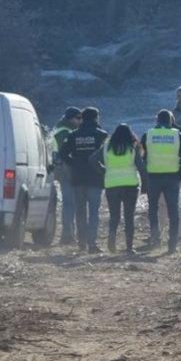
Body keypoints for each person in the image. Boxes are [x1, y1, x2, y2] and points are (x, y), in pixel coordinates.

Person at [59, 106, 108, 254]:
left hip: (77, 177)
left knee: (80, 211)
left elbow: (62, 153)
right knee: (93, 212)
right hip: (95, 177)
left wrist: (73, 163)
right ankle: (92, 244)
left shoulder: (73, 135)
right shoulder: (101, 135)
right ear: (95, 118)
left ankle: (81, 243)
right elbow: (106, 155)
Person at [142, 110, 181, 253]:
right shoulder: (178, 135)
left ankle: (156, 238)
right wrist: (180, 175)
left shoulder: (147, 135)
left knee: (153, 210)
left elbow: (143, 157)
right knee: (174, 210)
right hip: (172, 177)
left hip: (153, 177)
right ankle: (172, 243)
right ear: (170, 120)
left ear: (157, 120)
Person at [103, 123, 144, 254]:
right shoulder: (133, 148)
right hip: (130, 185)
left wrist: (103, 172)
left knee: (114, 216)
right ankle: (129, 248)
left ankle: (112, 239)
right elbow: (141, 167)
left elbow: (92, 160)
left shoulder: (106, 147)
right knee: (129, 217)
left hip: (111, 185)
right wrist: (146, 184)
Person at [52, 107, 82, 245]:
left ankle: (69, 234)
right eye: (78, 118)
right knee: (70, 203)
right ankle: (67, 235)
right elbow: (67, 153)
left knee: (69, 203)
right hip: (67, 169)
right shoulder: (66, 132)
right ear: (71, 118)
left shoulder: (60, 129)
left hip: (61, 169)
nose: (80, 121)